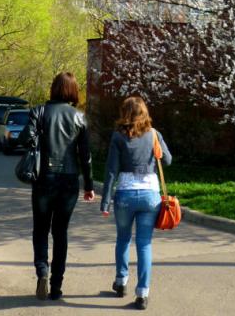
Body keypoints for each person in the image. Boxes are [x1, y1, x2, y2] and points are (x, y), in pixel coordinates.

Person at [19, 72, 95, 301]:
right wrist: (89, 185)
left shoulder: (38, 112)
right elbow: (86, 156)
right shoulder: (79, 118)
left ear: (53, 89)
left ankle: (42, 271)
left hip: (44, 178)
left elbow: (24, 139)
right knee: (60, 232)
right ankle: (56, 287)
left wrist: (39, 136)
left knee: (41, 229)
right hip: (69, 181)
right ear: (73, 91)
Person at [100, 96, 172, 310]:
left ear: (125, 114)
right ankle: (142, 293)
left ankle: (121, 282)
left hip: (125, 196)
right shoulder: (154, 134)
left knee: (123, 239)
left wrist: (105, 201)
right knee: (144, 244)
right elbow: (167, 160)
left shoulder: (118, 137)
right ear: (145, 113)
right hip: (150, 196)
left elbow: (111, 170)